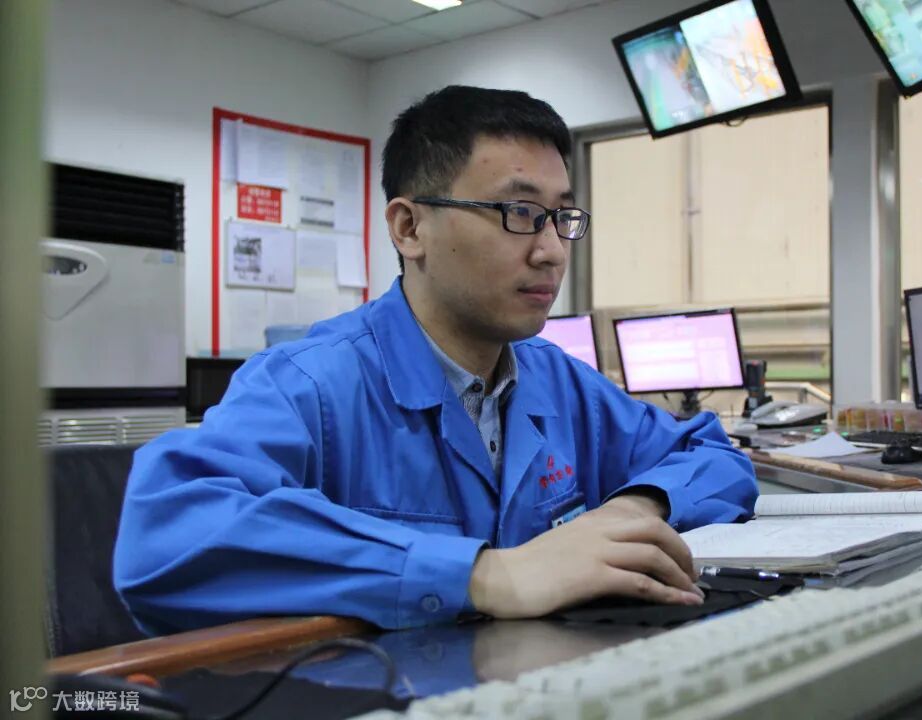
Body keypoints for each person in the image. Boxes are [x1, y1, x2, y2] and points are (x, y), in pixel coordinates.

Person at [113, 85, 757, 635]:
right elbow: (163, 537)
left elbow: (713, 457)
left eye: (561, 217)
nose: (553, 251)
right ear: (409, 228)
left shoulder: (557, 380)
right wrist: (486, 575)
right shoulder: (310, 384)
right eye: (520, 212)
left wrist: (636, 509)